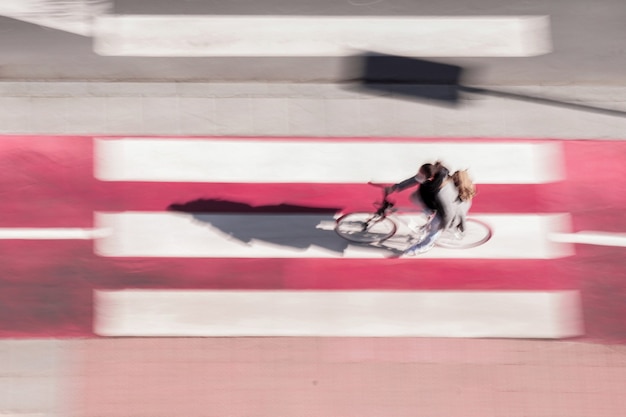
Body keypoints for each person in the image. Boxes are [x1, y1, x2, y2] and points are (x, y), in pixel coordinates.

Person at [386, 161, 471, 255]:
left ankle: (423, 246)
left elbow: (449, 213)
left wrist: (443, 227)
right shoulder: (431, 173)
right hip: (431, 200)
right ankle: (429, 216)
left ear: (430, 178)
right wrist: (396, 187)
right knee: (414, 198)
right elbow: (414, 179)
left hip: (447, 210)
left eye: (421, 176)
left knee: (434, 228)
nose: (418, 177)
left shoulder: (443, 193)